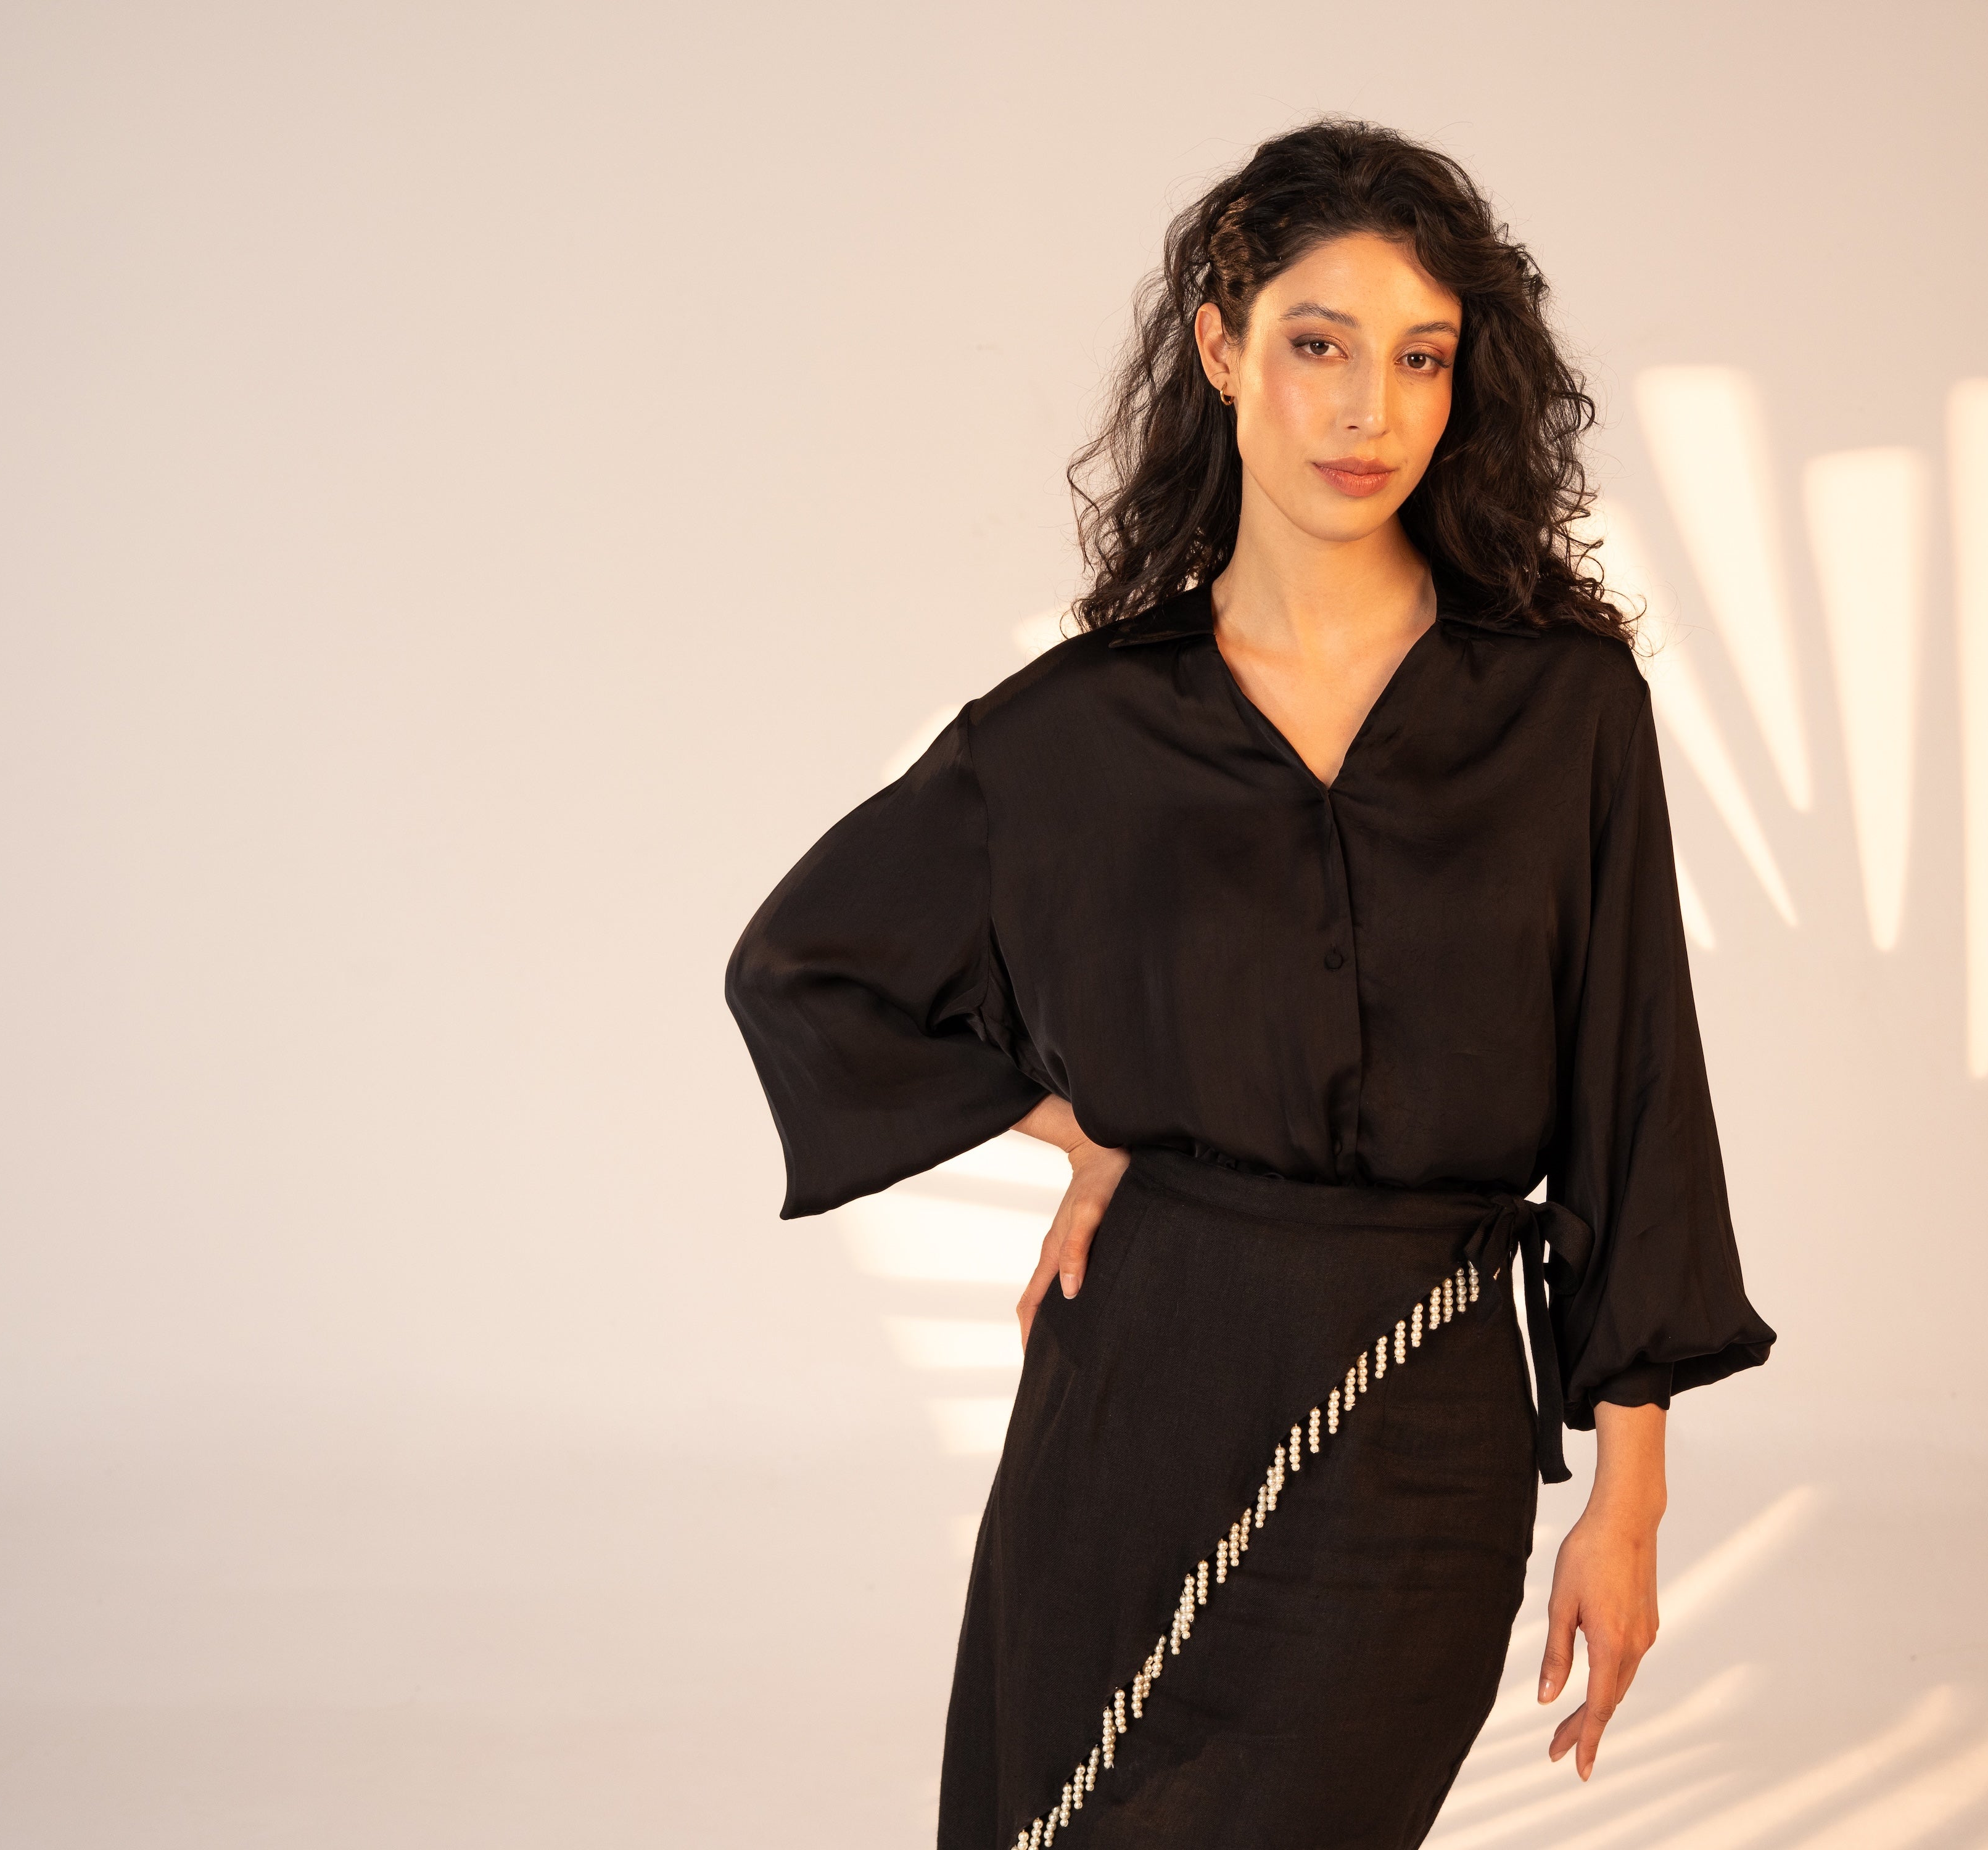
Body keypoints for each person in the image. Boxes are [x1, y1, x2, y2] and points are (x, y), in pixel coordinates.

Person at [726, 118, 1775, 1850]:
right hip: (1136, 1398)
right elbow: (806, 968)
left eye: (1420, 358)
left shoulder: (1564, 711)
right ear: (1221, 349)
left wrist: (1629, 1502)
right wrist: (1077, 1131)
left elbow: (1635, 1100)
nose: (1369, 411)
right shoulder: (1080, 730)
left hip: (1422, 1412)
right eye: (1319, 345)